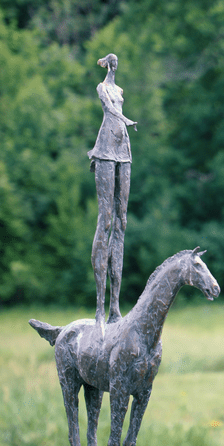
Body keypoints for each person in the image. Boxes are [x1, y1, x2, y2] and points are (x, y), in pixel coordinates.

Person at [88, 53, 137, 332]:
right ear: (107, 64)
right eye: (112, 61)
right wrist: (127, 119)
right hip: (106, 147)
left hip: (124, 150)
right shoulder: (103, 88)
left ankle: (115, 306)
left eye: (117, 61)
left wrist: (127, 125)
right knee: (105, 220)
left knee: (122, 223)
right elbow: (109, 109)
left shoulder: (120, 89)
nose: (115, 64)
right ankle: (99, 306)